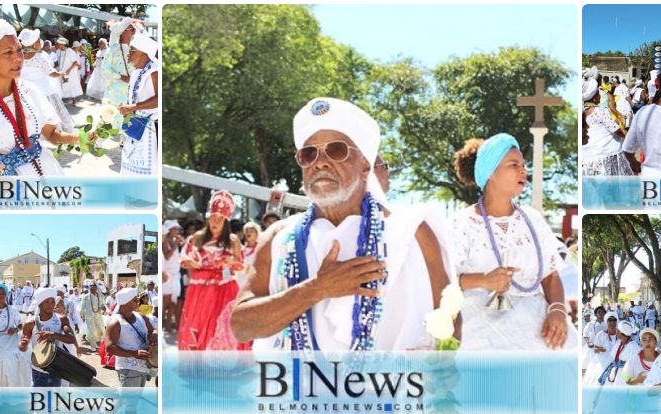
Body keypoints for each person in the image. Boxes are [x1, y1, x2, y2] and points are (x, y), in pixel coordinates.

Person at [232, 97, 453, 352]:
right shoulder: (278, 237)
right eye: (309, 153)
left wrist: (441, 362)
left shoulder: (412, 232)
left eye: (336, 150)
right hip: (295, 389)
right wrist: (317, 288)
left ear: (365, 165)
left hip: (389, 389)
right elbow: (241, 326)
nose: (320, 162)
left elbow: (449, 313)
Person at [451, 134, 574, 351]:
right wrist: (484, 280)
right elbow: (445, 281)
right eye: (513, 164)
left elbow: (550, 274)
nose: (522, 170)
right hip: (478, 324)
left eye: (523, 165)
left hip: (537, 322)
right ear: (491, 173)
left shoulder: (533, 219)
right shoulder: (462, 223)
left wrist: (557, 310)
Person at [0, 20, 89, 177]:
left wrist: (81, 138)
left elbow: (51, 134)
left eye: (19, 50)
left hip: (43, 173)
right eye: (8, 52)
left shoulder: (28, 90)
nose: (18, 58)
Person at [177, 190, 245, 350]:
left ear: (226, 220)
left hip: (224, 287)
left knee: (221, 325)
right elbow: (184, 260)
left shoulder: (232, 240)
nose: (216, 220)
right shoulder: (197, 237)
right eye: (213, 215)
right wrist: (195, 263)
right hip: (200, 288)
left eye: (220, 217)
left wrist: (230, 261)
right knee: (198, 324)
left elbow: (240, 265)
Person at [17, 28, 74, 133]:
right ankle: (52, 134)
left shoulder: (19, 56)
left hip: (25, 93)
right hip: (44, 92)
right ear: (34, 44)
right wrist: (61, 73)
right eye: (39, 40)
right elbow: (51, 73)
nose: (40, 42)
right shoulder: (38, 57)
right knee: (50, 116)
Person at [119, 33, 158, 176]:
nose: (128, 54)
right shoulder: (136, 73)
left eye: (132, 51)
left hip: (149, 126)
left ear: (143, 53)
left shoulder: (155, 71)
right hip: (135, 125)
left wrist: (135, 107)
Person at [21, 287, 77, 387]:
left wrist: (54, 335)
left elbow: (71, 339)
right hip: (38, 370)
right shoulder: (30, 323)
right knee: (40, 401)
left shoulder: (62, 319)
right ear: (40, 304)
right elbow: (22, 347)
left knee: (52, 401)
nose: (50, 305)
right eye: (46, 302)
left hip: (55, 368)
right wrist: (23, 344)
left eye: (52, 302)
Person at [581, 76, 633, 176]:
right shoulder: (600, 111)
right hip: (608, 154)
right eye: (598, 94)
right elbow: (617, 130)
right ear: (596, 96)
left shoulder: (582, 113)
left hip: (589, 157)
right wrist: (630, 137)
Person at [105, 288, 156, 388]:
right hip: (128, 369)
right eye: (134, 300)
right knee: (129, 402)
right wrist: (133, 354)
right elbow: (109, 347)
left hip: (144, 366)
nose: (138, 301)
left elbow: (153, 330)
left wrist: (154, 335)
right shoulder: (115, 323)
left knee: (134, 400)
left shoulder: (141, 316)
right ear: (125, 302)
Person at [101, 18, 139, 108]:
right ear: (123, 33)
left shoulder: (136, 49)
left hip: (134, 94)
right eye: (132, 29)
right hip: (116, 95)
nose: (134, 30)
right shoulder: (113, 50)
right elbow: (104, 70)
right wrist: (122, 77)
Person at [597, 320, 639, 385]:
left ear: (623, 333)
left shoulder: (633, 347)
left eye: (618, 331)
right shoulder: (619, 343)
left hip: (624, 375)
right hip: (615, 373)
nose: (616, 332)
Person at [163, 219, 183, 330]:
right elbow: (167, 256)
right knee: (166, 301)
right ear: (169, 230)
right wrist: (175, 244)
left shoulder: (175, 240)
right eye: (174, 229)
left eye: (177, 229)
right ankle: (162, 324)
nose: (177, 231)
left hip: (176, 276)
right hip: (167, 275)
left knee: (173, 302)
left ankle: (168, 325)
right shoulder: (165, 241)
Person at [80, 282, 106, 351]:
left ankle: (99, 345)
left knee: (100, 330)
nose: (92, 287)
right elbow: (82, 307)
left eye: (94, 286)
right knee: (91, 331)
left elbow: (102, 304)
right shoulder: (86, 297)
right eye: (91, 286)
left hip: (98, 316)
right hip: (89, 316)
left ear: (96, 287)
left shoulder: (100, 296)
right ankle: (93, 346)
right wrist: (82, 315)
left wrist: (103, 308)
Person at [59, 41, 83, 105]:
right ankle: (72, 100)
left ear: (63, 44)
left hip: (70, 72)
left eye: (60, 44)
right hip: (64, 72)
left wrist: (69, 70)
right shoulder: (62, 51)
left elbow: (75, 62)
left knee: (71, 85)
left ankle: (73, 100)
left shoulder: (69, 51)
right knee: (67, 85)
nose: (58, 46)